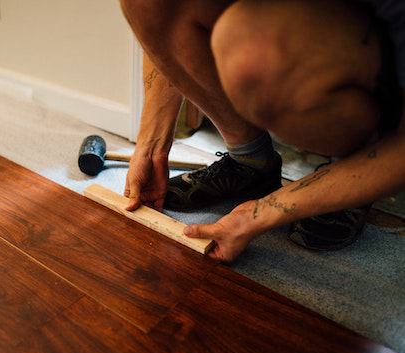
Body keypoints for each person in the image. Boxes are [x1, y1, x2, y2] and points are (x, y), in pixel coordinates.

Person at [119, 0, 405, 262]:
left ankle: (353, 162)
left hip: (379, 51)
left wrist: (261, 213)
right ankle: (250, 163)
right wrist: (151, 145)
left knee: (253, 50)